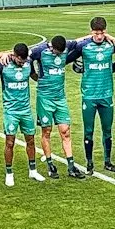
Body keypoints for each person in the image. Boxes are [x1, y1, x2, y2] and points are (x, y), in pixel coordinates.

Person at [67, 16, 115, 172]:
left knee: (107, 130)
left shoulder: (110, 45)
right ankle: (89, 162)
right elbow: (66, 56)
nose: (99, 36)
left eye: (102, 33)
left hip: (106, 95)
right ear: (91, 32)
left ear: (106, 32)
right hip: (89, 96)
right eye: (96, 33)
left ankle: (108, 161)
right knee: (89, 130)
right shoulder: (83, 46)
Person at [31, 34, 87, 180]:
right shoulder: (40, 50)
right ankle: (50, 165)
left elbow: (80, 40)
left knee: (65, 131)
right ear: (52, 47)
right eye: (57, 52)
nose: (60, 54)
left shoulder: (67, 45)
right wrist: (32, 73)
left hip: (60, 97)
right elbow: (25, 56)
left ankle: (71, 166)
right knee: (47, 131)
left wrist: (101, 35)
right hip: (45, 97)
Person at [0, 43, 41, 187]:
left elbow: (35, 76)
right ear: (14, 55)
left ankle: (33, 170)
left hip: (26, 110)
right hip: (11, 111)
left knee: (31, 140)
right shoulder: (2, 65)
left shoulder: (28, 63)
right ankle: (9, 173)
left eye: (23, 61)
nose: (22, 63)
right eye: (19, 61)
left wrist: (46, 79)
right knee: (10, 142)